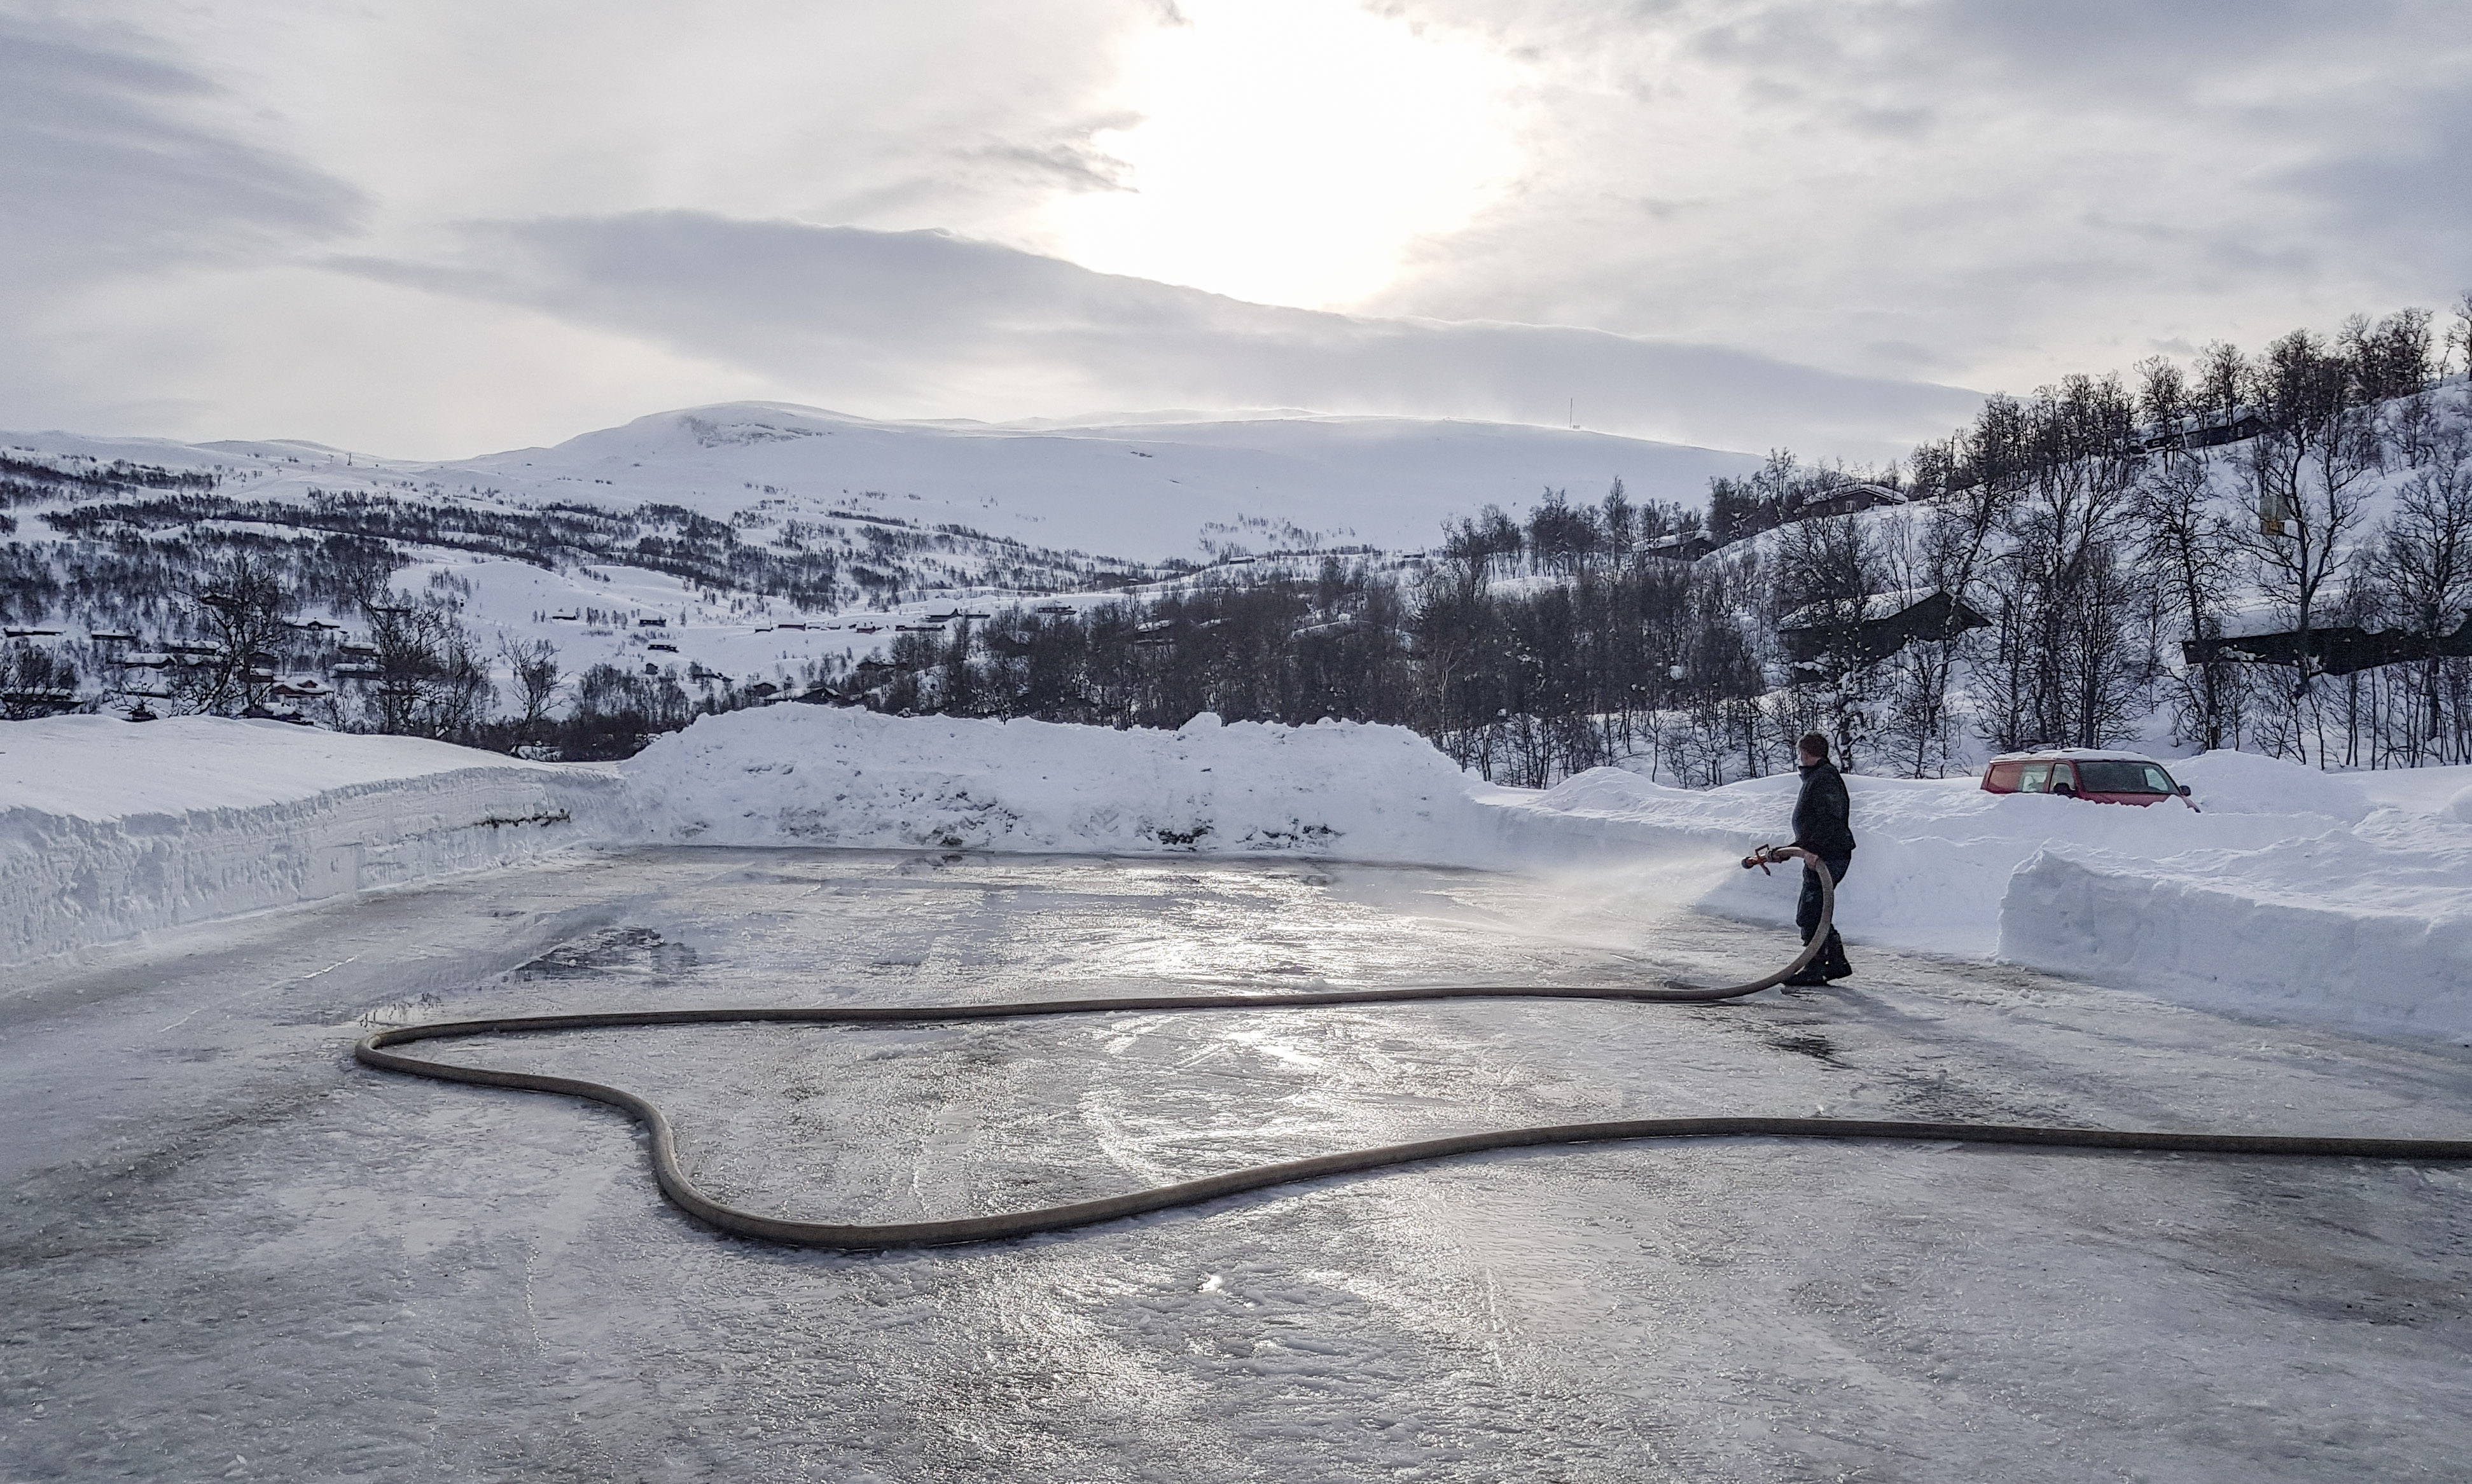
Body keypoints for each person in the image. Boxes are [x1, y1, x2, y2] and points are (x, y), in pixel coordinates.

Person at [1741, 732, 1856, 987]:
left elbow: (1830, 820)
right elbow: (1816, 822)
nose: (1799, 756)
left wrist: (1812, 850)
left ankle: (1819, 966)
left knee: (1811, 911)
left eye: (1801, 751)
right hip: (1819, 852)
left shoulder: (1825, 779)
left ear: (1807, 753)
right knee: (1814, 910)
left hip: (1828, 855)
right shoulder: (1818, 777)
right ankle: (1834, 961)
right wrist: (1795, 849)